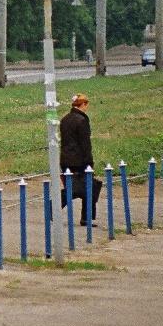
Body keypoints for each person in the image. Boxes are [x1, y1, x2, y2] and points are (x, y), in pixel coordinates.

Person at [60, 93, 102, 226]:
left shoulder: (65, 119)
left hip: (66, 160)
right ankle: (86, 218)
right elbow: (85, 144)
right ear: (83, 104)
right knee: (88, 187)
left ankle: (54, 208)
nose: (87, 107)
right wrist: (89, 162)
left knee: (76, 188)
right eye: (86, 105)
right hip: (79, 161)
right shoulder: (82, 120)